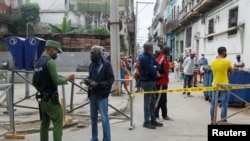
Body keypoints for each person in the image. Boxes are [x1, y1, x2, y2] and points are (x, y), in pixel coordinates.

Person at [32, 40, 74, 141]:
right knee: (58, 121)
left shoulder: (38, 62)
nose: (57, 54)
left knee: (45, 123)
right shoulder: (50, 62)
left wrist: (42, 90)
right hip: (51, 99)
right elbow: (57, 80)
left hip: (42, 99)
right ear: (51, 50)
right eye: (56, 51)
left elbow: (34, 81)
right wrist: (67, 79)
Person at [84, 46, 114, 141]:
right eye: (91, 53)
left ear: (99, 54)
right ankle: (94, 137)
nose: (91, 55)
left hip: (101, 96)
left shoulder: (106, 65)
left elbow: (110, 80)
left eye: (93, 54)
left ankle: (106, 139)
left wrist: (99, 84)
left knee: (104, 119)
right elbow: (91, 76)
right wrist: (88, 81)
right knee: (93, 118)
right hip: (92, 95)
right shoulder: (91, 65)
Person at [139, 42, 163, 129]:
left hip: (153, 81)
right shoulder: (143, 58)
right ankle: (146, 121)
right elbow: (152, 69)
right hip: (147, 82)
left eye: (151, 48)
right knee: (147, 102)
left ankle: (153, 120)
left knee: (153, 102)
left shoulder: (151, 57)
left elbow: (158, 66)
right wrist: (154, 68)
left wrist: (154, 68)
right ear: (145, 48)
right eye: (149, 48)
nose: (151, 49)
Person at [210, 46, 233, 125]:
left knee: (213, 103)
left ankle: (212, 120)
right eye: (225, 51)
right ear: (223, 52)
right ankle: (223, 119)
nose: (226, 53)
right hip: (224, 85)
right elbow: (231, 72)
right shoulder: (227, 61)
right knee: (224, 103)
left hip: (215, 85)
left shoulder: (212, 62)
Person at [155, 46, 173, 121]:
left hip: (165, 82)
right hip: (161, 82)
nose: (169, 53)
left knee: (164, 99)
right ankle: (155, 115)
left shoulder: (165, 58)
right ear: (166, 51)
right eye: (169, 51)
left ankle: (164, 115)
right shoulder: (161, 57)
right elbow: (156, 67)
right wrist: (160, 76)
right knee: (158, 99)